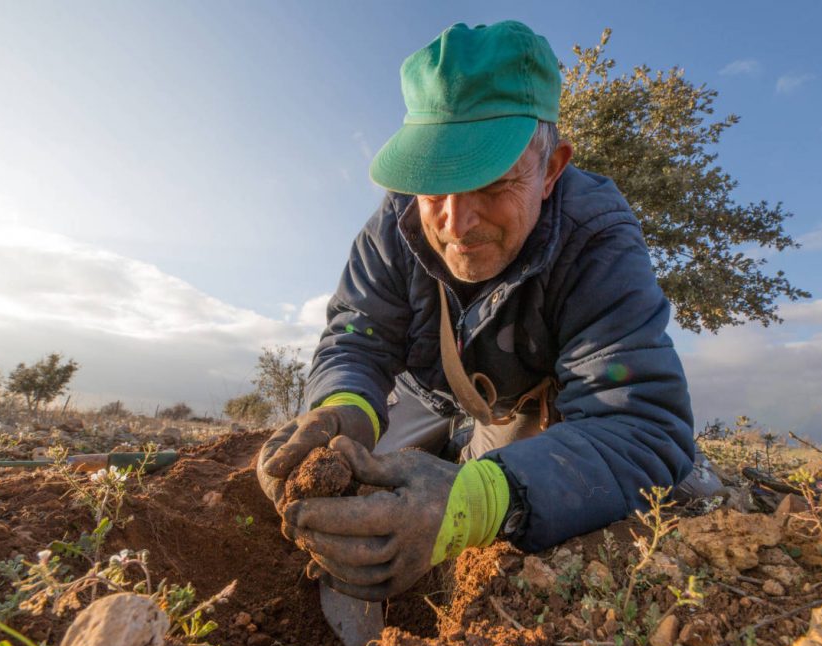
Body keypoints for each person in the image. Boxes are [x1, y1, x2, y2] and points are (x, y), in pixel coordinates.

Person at [257, 20, 717, 602]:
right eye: (434, 187)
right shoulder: (391, 225)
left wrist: (480, 499)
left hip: (520, 410)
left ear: (551, 169)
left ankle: (476, 459)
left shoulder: (597, 237)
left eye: (493, 183)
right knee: (329, 468)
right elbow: (357, 337)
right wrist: (343, 408)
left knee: (570, 496)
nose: (456, 223)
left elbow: (640, 422)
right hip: (420, 396)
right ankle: (443, 450)